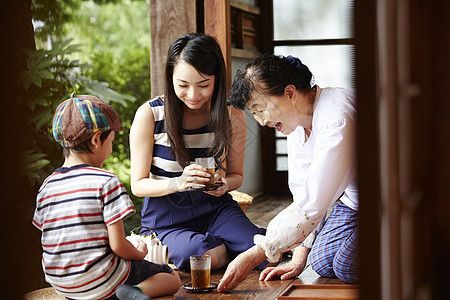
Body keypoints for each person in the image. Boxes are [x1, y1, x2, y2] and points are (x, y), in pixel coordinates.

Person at [218, 54, 358, 292]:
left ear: (290, 93)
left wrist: (255, 255)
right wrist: (299, 253)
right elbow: (303, 193)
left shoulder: (337, 118)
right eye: (256, 114)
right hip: (355, 202)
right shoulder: (296, 125)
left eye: (261, 109)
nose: (262, 122)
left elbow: (314, 201)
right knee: (321, 262)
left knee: (344, 265)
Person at [129, 33, 266, 272]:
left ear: (217, 79)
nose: (193, 95)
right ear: (170, 77)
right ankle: (230, 245)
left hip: (216, 209)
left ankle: (235, 242)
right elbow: (138, 185)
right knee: (199, 257)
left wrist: (225, 184)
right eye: (183, 85)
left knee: (264, 254)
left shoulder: (232, 115)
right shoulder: (150, 115)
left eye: (204, 85)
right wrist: (178, 183)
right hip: (167, 219)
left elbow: (236, 176)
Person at [32, 95, 181, 300]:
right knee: (171, 278)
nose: (110, 147)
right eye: (111, 140)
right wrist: (139, 252)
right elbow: (118, 246)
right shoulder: (105, 181)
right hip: (100, 280)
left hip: (61, 283)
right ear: (95, 141)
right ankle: (134, 293)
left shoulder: (47, 185)